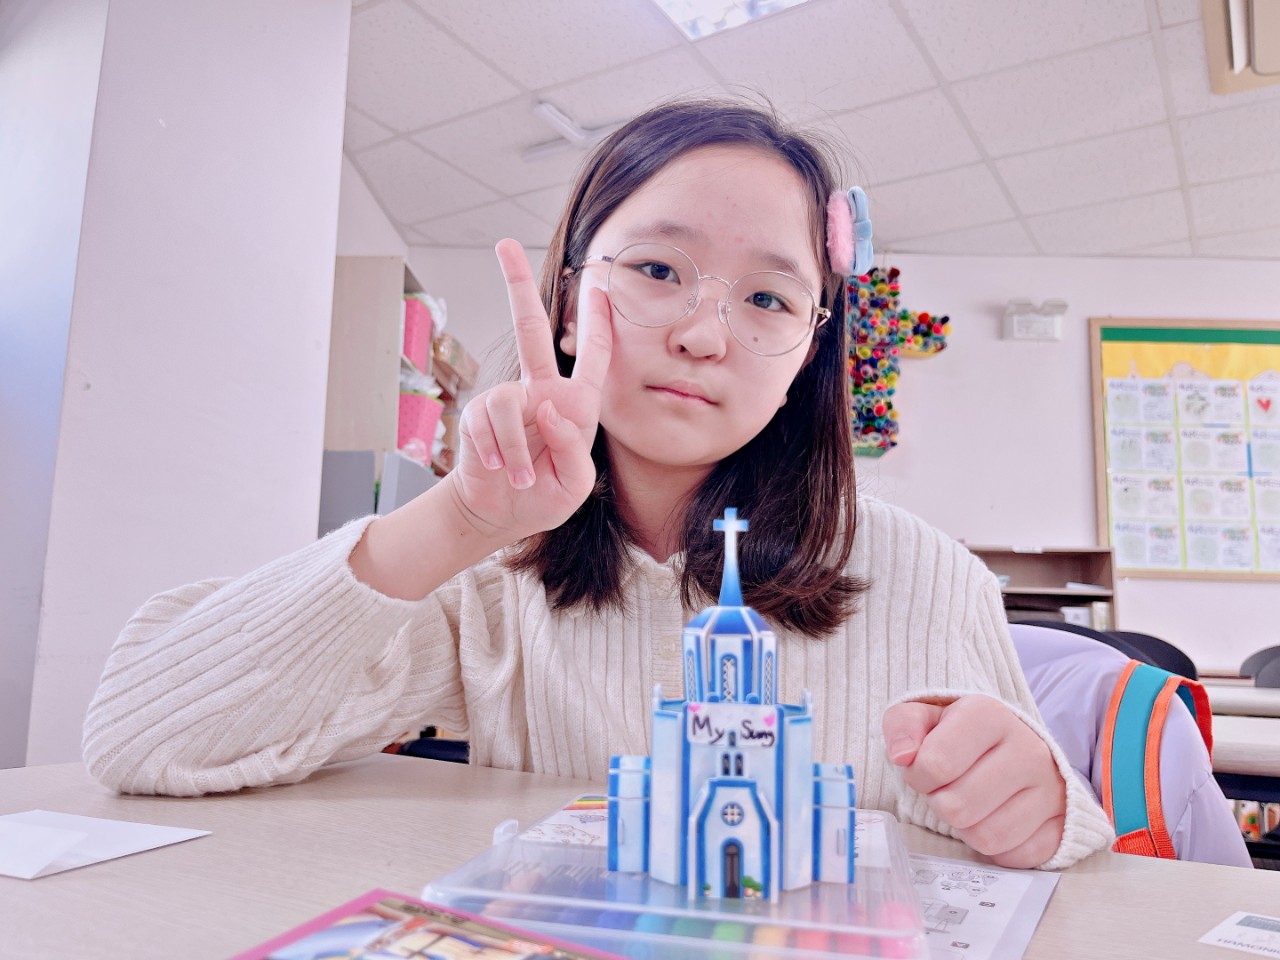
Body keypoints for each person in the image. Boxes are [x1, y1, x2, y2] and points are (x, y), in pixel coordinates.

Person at [83, 97, 1113, 870]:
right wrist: (463, 515)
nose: (702, 335)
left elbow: (1052, 837)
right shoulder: (495, 578)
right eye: (658, 271)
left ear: (806, 351)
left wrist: (1038, 806)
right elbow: (142, 735)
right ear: (571, 304)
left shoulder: (922, 573)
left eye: (766, 298)